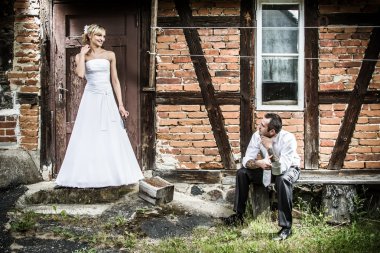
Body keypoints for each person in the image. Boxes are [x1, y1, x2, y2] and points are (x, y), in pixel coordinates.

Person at [55, 24, 144, 188]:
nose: (102, 39)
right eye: (99, 36)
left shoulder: (110, 55)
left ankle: (112, 174)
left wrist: (121, 105)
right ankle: (88, 175)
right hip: (91, 98)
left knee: (110, 133)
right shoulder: (81, 56)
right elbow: (81, 74)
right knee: (89, 133)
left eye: (103, 36)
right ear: (89, 36)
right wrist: (81, 54)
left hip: (107, 97)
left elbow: (115, 81)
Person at [222, 113, 300, 241]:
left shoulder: (288, 139)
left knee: (283, 179)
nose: (259, 127)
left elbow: (280, 169)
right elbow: (246, 160)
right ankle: (239, 215)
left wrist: (269, 148)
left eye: (262, 125)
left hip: (289, 169)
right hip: (267, 169)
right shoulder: (257, 136)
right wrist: (258, 163)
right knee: (242, 173)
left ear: (272, 131)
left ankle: (286, 228)